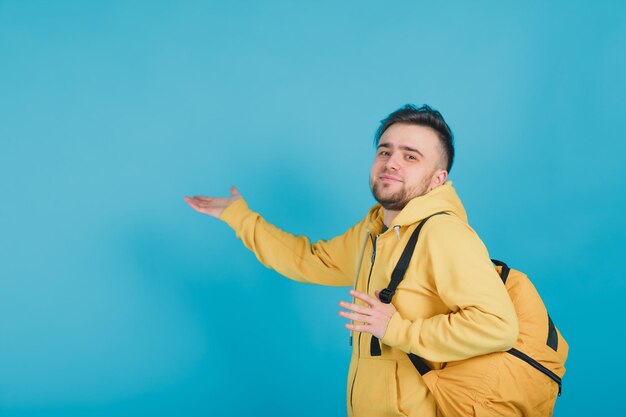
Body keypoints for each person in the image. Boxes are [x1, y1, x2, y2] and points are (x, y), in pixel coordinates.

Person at [184, 104, 519, 417]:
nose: (391, 162)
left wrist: (396, 329)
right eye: (385, 151)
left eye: (410, 156)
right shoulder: (375, 229)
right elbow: (311, 261)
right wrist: (239, 217)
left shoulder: (443, 234)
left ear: (438, 179)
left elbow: (498, 327)